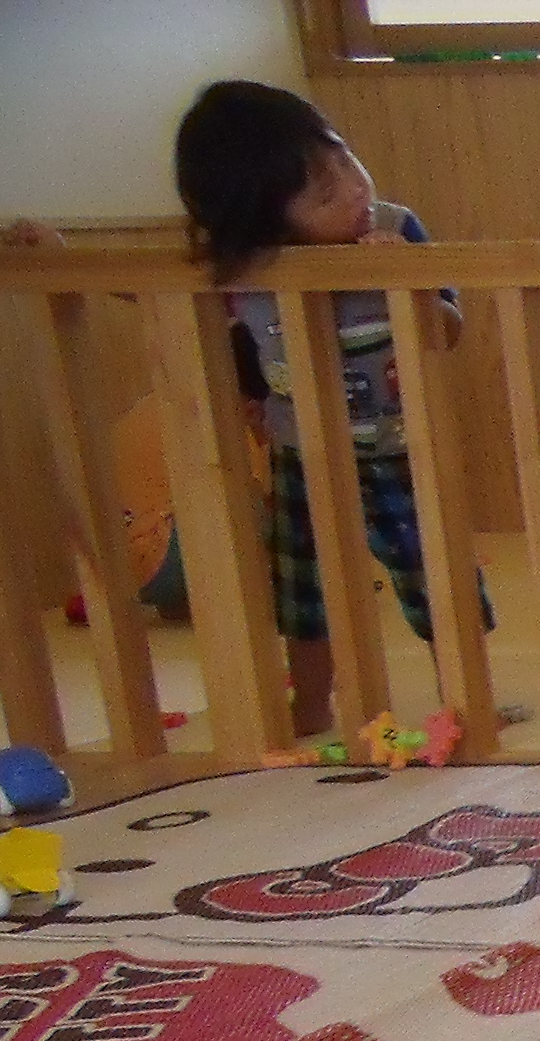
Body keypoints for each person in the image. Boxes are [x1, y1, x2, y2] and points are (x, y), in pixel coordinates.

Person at [171, 82, 484, 742]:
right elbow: (161, 291)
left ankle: (463, 698)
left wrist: (407, 285)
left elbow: (448, 331)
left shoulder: (396, 228)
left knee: (435, 579)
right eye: (323, 192)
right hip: (302, 455)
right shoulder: (248, 264)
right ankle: (312, 702)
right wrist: (54, 252)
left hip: (398, 447)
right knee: (303, 592)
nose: (353, 188)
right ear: (268, 223)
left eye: (345, 159)